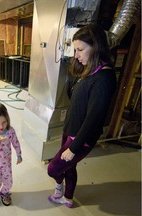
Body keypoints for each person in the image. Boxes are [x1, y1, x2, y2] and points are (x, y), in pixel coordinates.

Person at [47, 24, 117, 208]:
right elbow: (76, 96)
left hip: (79, 138)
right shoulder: (90, 70)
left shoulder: (104, 78)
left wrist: (74, 148)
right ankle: (67, 198)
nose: (76, 55)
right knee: (69, 168)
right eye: (75, 49)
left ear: (96, 46)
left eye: (80, 49)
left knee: (53, 169)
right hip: (70, 129)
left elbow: (94, 118)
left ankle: (60, 189)